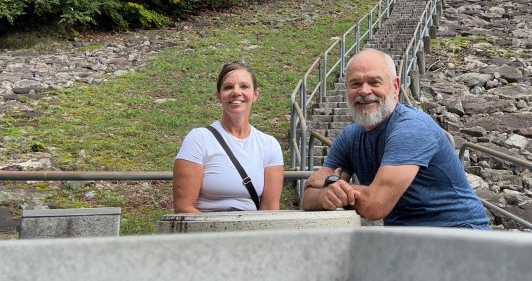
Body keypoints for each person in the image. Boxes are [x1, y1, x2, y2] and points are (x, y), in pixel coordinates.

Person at [302, 48, 490, 228]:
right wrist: (326, 194)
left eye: (374, 82)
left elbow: (375, 204)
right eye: (356, 84)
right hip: (406, 237)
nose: (364, 91)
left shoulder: (412, 128)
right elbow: (307, 199)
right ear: (346, 89)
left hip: (458, 234)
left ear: (395, 86)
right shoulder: (349, 136)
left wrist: (332, 186)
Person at [173, 62, 284, 213]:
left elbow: (270, 209)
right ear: (219, 96)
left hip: (251, 226)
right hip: (205, 225)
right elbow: (184, 207)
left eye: (244, 86)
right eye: (228, 87)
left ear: (255, 94)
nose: (236, 92)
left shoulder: (269, 145)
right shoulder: (198, 139)